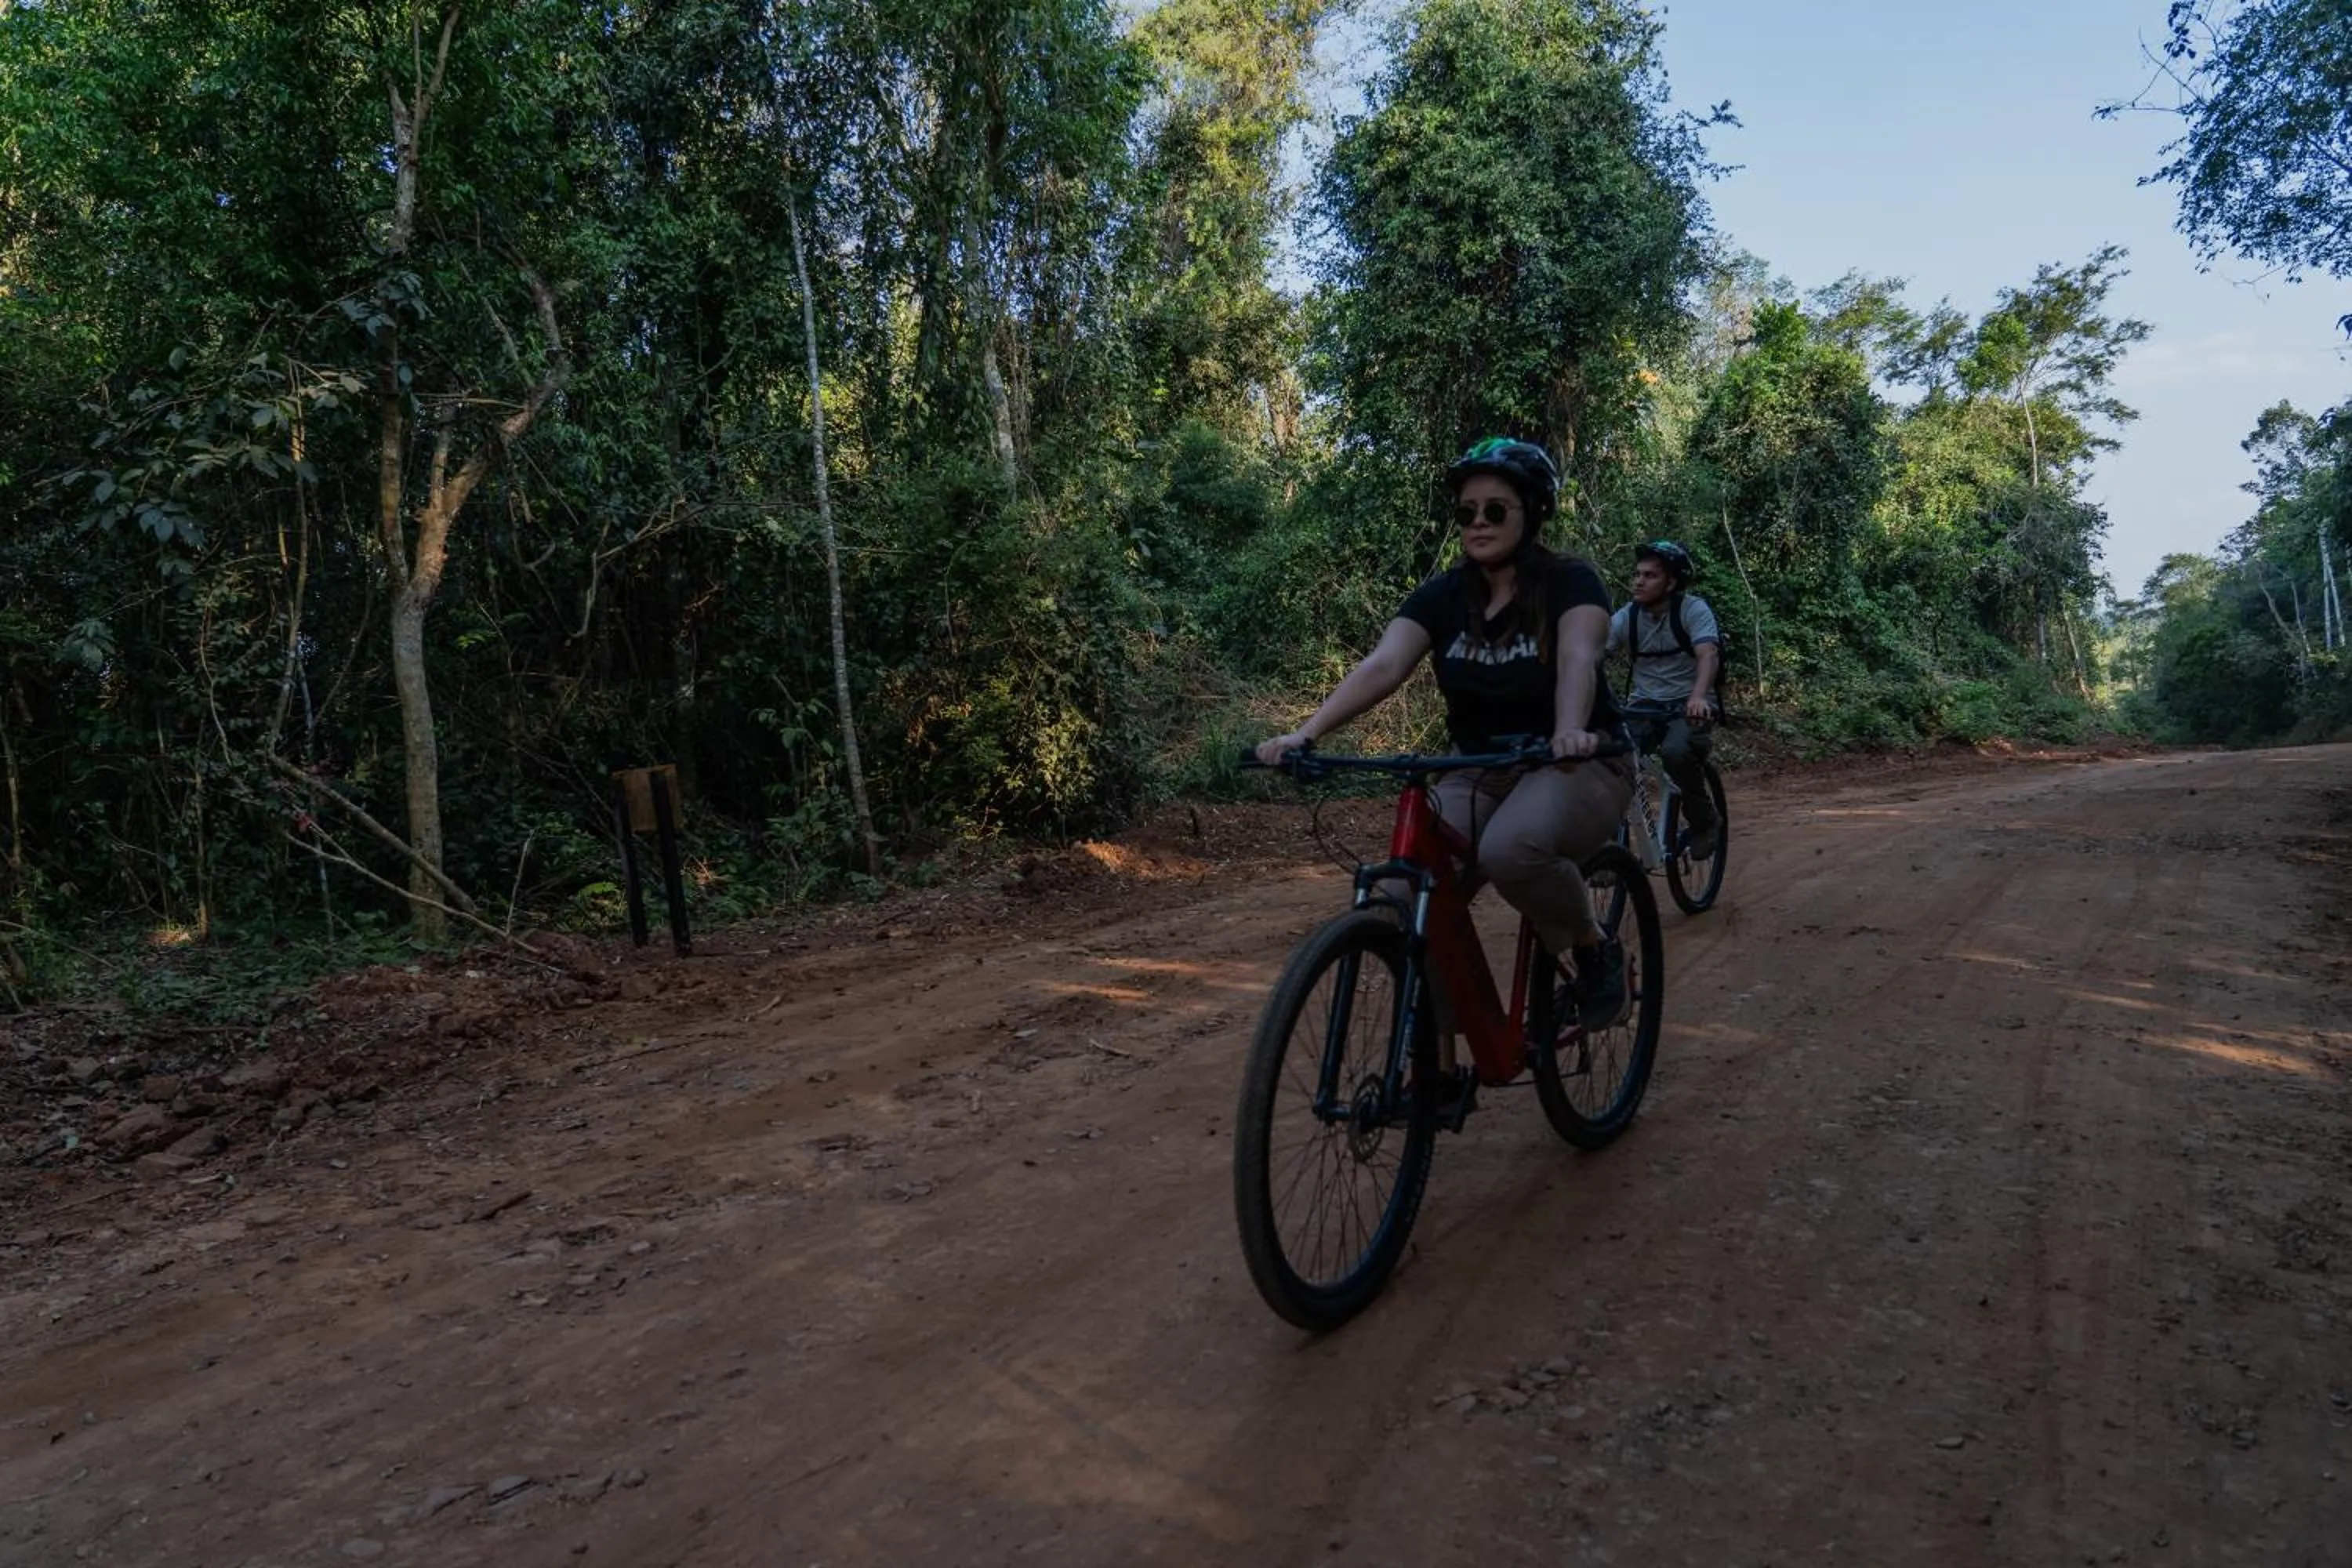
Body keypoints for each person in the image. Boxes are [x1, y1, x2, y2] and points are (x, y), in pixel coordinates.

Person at [1254, 437, 1635, 1037]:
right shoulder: (1444, 596)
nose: (1478, 523)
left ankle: (1593, 950)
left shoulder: (1571, 581)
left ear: (1533, 513)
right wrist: (1306, 733)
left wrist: (1568, 730)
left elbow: (1578, 658)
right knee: (1407, 896)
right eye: (1466, 512)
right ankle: (1445, 1061)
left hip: (1577, 763)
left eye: (1495, 510)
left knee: (1511, 849)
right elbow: (1383, 665)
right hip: (1479, 766)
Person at [1606, 540, 1721, 858]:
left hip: (1689, 705)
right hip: (1644, 705)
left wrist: (1698, 697)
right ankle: (1607, 847)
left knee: (1676, 752)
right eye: (1637, 574)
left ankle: (1704, 823)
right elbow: (1591, 652)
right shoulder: (1626, 617)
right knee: (1611, 758)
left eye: (1650, 576)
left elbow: (1708, 654)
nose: (1639, 581)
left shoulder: (1692, 610)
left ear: (1671, 583)